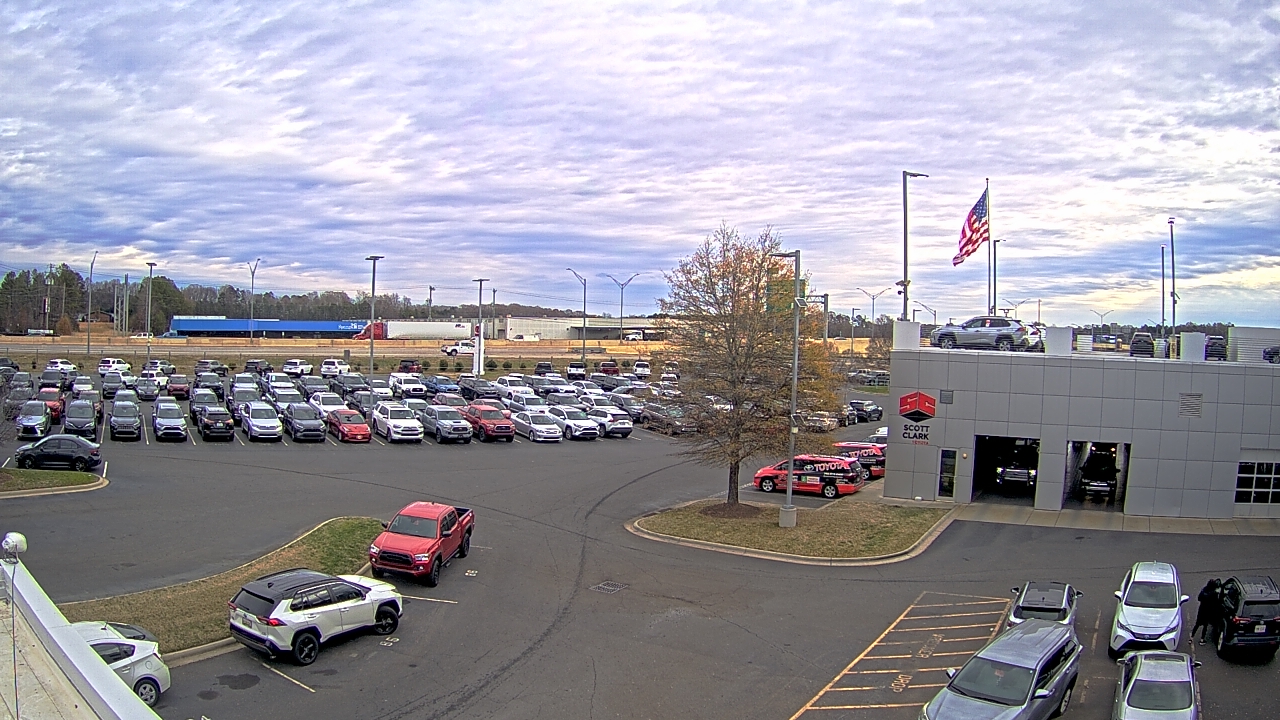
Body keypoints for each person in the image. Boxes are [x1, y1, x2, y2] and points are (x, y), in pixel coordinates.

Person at [1191, 579, 1221, 644]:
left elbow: (1199, 598)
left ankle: (1191, 637)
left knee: (1197, 624)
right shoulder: (1214, 594)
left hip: (1201, 609)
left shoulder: (1204, 590)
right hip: (1208, 611)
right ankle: (1202, 639)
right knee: (1205, 625)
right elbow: (1216, 602)